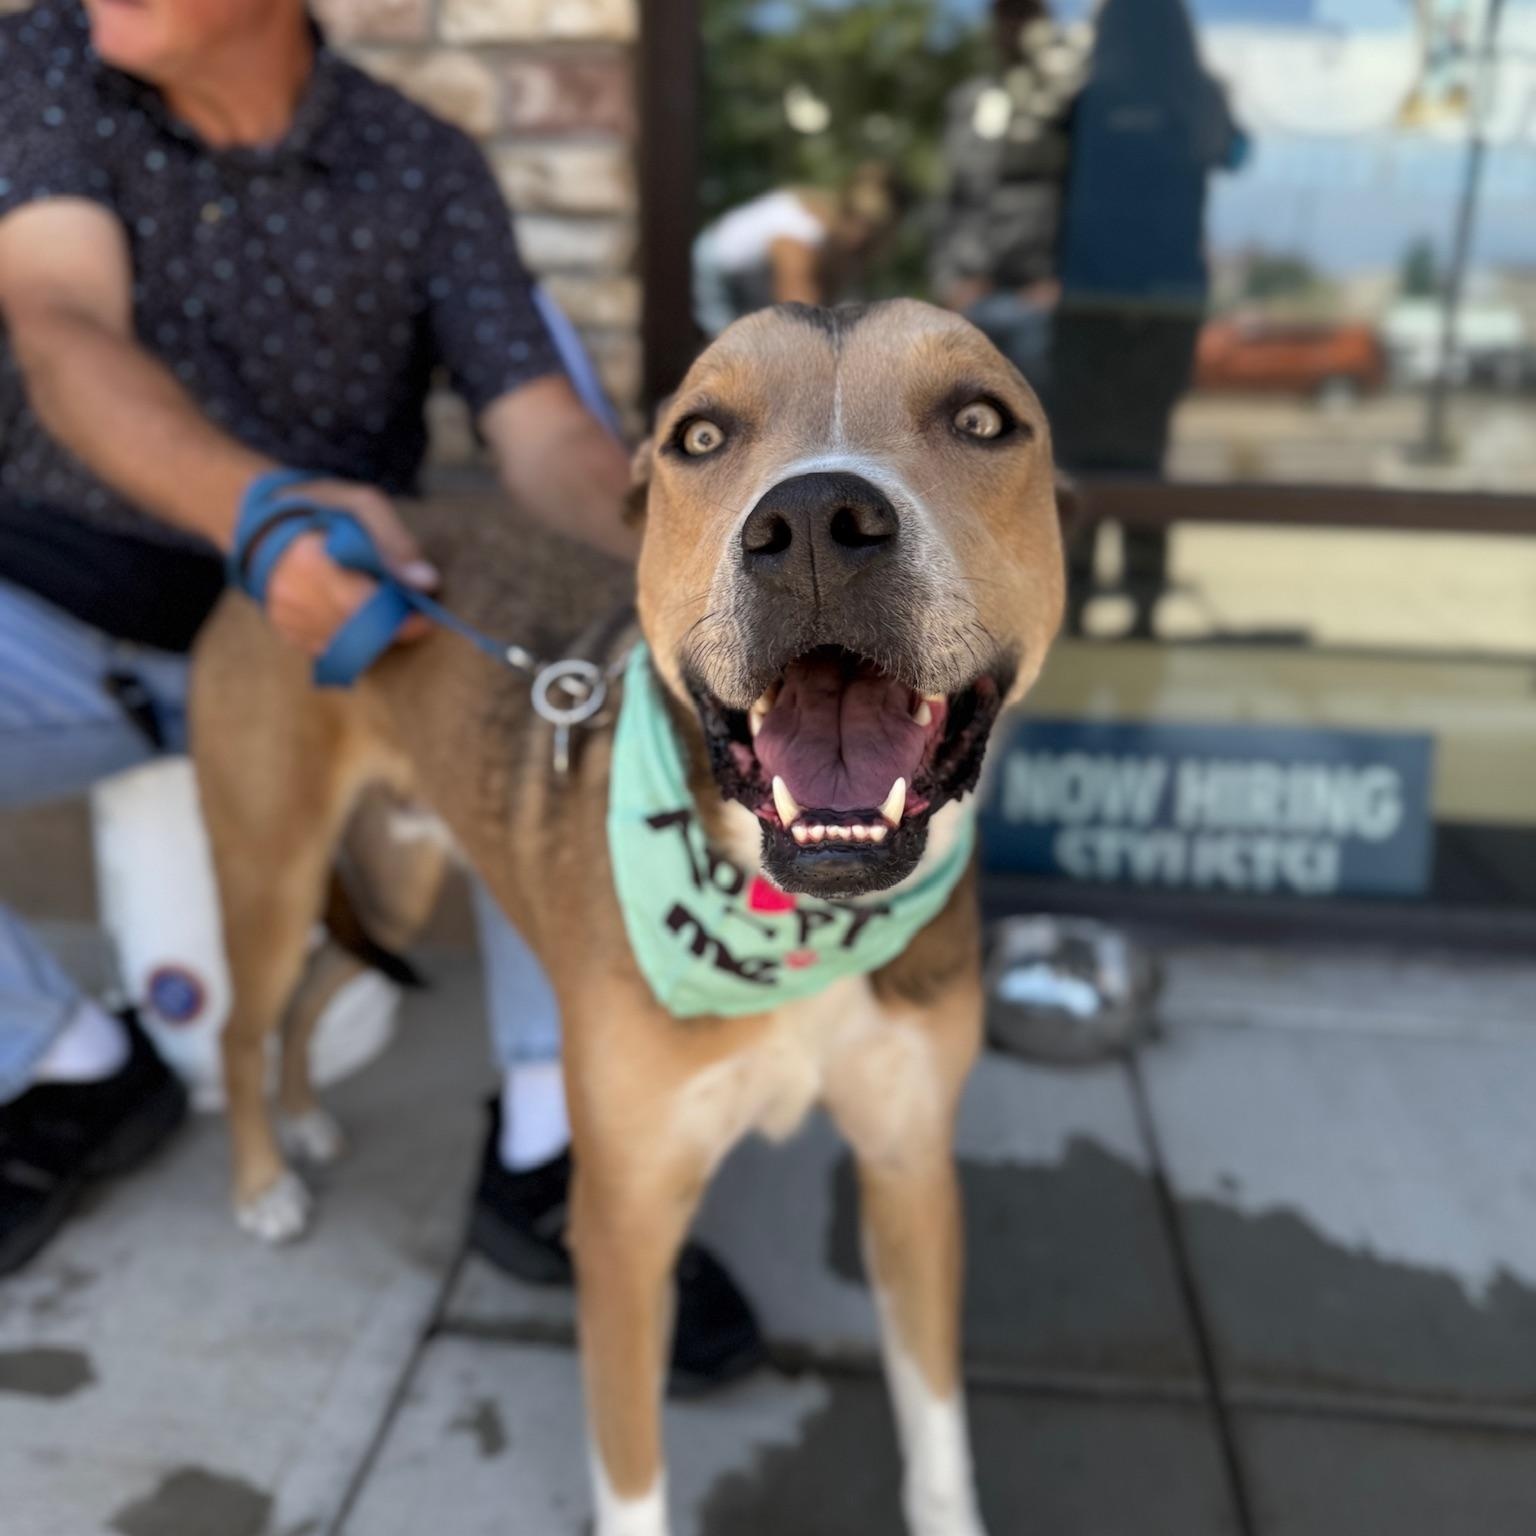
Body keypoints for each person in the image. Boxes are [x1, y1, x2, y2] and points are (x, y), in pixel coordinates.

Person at [0, 0, 762, 1390]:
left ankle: (550, 1136)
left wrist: (700, 577)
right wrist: (264, 514)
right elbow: (56, 327)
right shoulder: (46, 56)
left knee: (584, 708)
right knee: (229, 1001)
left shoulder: (425, 165)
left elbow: (537, 431)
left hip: (349, 646)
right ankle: (57, 1057)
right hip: (66, 619)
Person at [1049, 0, 1246, 639]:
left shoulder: (1090, 96)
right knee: (1142, 455)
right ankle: (1141, 598)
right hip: (1165, 301)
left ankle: (1077, 598)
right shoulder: (1195, 96)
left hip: (1090, 301)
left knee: (1082, 454)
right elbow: (1235, 153)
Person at [931, 0, 1089, 387]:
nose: (1016, 25)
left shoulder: (1073, 104)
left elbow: (1086, 199)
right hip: (970, 297)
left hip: (1039, 298)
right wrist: (949, 281)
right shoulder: (969, 101)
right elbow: (949, 199)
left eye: (1026, 13)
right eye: (1007, 13)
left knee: (1036, 427)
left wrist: (1063, 281)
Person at [692, 162, 902, 336]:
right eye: (856, 224)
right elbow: (802, 321)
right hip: (715, 273)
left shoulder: (841, 245)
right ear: (843, 213)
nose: (857, 238)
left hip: (754, 281)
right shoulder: (798, 235)